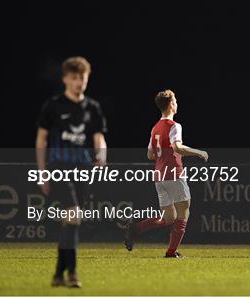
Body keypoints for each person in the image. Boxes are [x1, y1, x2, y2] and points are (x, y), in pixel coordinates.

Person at [36, 56, 107, 288]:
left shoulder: (92, 108)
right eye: (75, 78)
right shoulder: (53, 106)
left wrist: (102, 158)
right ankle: (72, 274)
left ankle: (57, 274)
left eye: (83, 78)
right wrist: (42, 172)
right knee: (74, 215)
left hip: (83, 170)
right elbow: (42, 140)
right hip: (59, 169)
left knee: (70, 222)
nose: (79, 82)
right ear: (65, 78)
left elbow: (99, 138)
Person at [124, 90, 208, 258]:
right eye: (175, 100)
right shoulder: (174, 126)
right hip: (174, 174)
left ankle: (136, 228)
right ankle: (171, 252)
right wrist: (199, 152)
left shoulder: (155, 127)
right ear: (171, 104)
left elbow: (150, 154)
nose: (177, 103)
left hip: (159, 176)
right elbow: (177, 147)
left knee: (169, 218)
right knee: (184, 212)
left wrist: (163, 154)